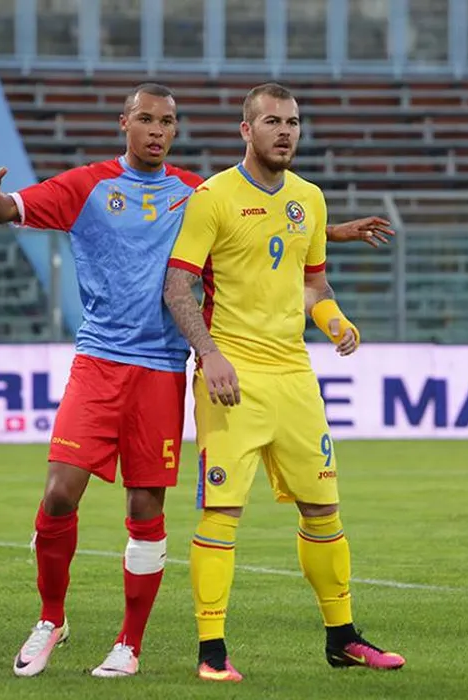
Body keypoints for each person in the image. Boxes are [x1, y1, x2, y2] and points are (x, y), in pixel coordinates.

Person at [0, 82, 394, 679]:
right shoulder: (93, 185)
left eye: (167, 121)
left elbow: (265, 228)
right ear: (125, 123)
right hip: (102, 359)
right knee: (60, 493)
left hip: (165, 366)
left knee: (148, 508)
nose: (157, 131)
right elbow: (4, 211)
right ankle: (52, 618)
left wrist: (331, 233)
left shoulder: (195, 191)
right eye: (146, 119)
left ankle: (129, 644)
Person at [162, 82, 407, 682]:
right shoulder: (212, 197)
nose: (285, 132)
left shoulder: (310, 199)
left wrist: (336, 321)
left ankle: (342, 638)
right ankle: (211, 650)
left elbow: (313, 285)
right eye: (272, 121)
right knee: (222, 511)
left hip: (295, 377)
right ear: (246, 130)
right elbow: (177, 286)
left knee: (323, 508)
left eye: (293, 122)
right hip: (232, 378)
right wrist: (209, 354)